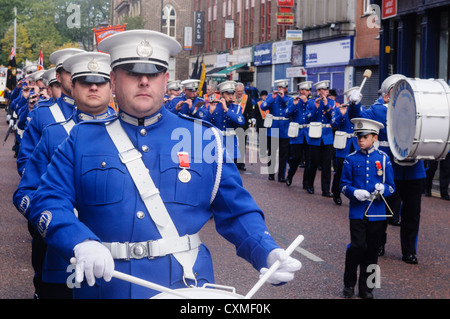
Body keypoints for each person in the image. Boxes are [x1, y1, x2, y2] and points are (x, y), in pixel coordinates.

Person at [28, 30, 301, 299]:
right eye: (133, 73)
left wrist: (266, 251)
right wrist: (79, 241)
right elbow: (48, 201)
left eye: (154, 73)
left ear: (165, 78)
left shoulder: (202, 139)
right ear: (113, 79)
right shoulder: (82, 138)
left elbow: (236, 211)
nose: (144, 81)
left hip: (185, 287)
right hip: (106, 287)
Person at [13, 52, 115, 299]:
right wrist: (46, 218)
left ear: (112, 86)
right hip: (63, 248)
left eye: (101, 82)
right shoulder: (53, 133)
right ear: (72, 85)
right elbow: (26, 191)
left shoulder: (134, 135)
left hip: (117, 258)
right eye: (84, 81)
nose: (93, 87)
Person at [348, 74, 425, 263]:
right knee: (381, 210)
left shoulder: (418, 108)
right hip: (387, 169)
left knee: (412, 214)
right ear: (386, 95)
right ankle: (378, 243)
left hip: (414, 168)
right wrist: (354, 104)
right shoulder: (376, 110)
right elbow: (357, 120)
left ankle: (409, 251)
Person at [340, 118, 395, 299]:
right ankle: (349, 284)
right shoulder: (350, 159)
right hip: (357, 211)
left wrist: (383, 190)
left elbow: (391, 186)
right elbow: (343, 185)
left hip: (378, 212)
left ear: (375, 138)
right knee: (357, 247)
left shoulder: (384, 158)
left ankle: (367, 288)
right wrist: (354, 192)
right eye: (359, 137)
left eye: (365, 137)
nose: (360, 140)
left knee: (372, 249)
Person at [16, 48, 85, 176]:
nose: (74, 76)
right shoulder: (42, 114)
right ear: (58, 77)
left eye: (78, 71)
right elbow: (26, 162)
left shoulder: (105, 114)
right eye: (69, 72)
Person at [202, 81, 246, 170]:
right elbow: (203, 124)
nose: (231, 96)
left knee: (230, 171)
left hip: (231, 143)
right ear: (221, 94)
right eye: (227, 94)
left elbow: (241, 121)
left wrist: (226, 109)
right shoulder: (213, 105)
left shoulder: (236, 108)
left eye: (232, 93)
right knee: (216, 170)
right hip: (216, 143)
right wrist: (210, 112)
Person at [330, 87, 360, 205]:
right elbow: (333, 124)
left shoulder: (360, 108)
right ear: (348, 98)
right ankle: (336, 192)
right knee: (341, 170)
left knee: (357, 170)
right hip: (344, 144)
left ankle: (356, 194)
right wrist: (341, 115)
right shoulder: (341, 108)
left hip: (356, 144)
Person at [305, 80, 335, 197]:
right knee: (314, 162)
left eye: (327, 90)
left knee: (327, 165)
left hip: (327, 136)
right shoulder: (312, 102)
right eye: (324, 89)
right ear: (318, 91)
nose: (326, 91)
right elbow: (307, 118)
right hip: (315, 136)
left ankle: (326, 189)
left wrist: (326, 104)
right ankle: (310, 185)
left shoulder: (331, 102)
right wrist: (315, 108)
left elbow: (333, 117)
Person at [260, 79, 292, 182]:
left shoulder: (289, 98)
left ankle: (281, 175)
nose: (280, 90)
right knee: (272, 152)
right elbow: (263, 107)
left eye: (282, 88)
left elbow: (291, 108)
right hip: (273, 127)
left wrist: (283, 98)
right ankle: (271, 173)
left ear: (286, 89)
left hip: (285, 128)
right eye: (279, 88)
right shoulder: (271, 96)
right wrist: (271, 98)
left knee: (284, 154)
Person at [285, 81, 312, 188]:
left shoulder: (311, 102)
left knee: (309, 159)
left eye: (308, 90)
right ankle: (290, 176)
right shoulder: (293, 100)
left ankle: (306, 183)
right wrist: (294, 105)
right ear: (300, 91)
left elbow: (312, 114)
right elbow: (287, 114)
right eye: (305, 90)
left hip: (309, 134)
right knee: (296, 158)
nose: (306, 92)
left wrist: (306, 103)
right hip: (297, 134)